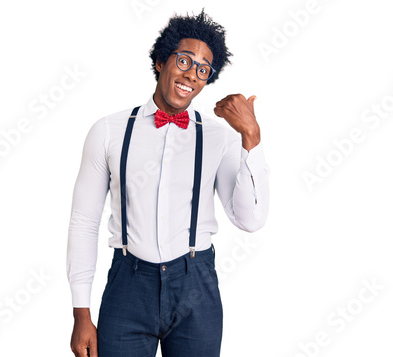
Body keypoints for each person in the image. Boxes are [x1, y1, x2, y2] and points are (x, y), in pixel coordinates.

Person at [67, 9, 270, 357]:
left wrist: (251, 137)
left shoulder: (219, 137)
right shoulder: (109, 131)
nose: (192, 74)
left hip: (196, 284)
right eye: (185, 60)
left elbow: (249, 219)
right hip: (127, 284)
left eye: (203, 69)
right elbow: (84, 222)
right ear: (161, 60)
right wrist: (80, 312)